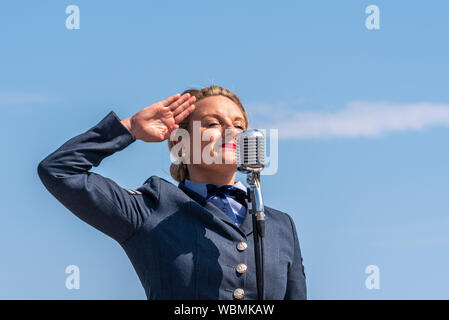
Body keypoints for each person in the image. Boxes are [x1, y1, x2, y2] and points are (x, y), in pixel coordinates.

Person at [37, 85, 307, 300]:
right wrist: (129, 128)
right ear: (181, 143)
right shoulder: (150, 209)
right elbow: (59, 171)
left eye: (239, 125)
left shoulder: (280, 225)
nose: (231, 132)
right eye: (213, 124)